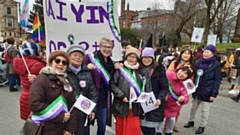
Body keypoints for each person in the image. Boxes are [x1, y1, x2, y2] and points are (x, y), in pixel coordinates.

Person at [29, 51, 77, 135]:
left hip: (63, 129)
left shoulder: (67, 82)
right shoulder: (41, 79)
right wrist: (60, 117)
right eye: (57, 61)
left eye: (64, 62)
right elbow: (35, 104)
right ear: (51, 62)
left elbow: (73, 106)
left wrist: (70, 130)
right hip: (46, 127)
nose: (61, 64)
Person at [84, 37, 120, 135]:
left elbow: (113, 79)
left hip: (103, 98)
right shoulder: (89, 58)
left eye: (110, 47)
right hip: (89, 96)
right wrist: (85, 67)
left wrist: (118, 68)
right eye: (105, 46)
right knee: (85, 124)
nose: (107, 49)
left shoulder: (111, 63)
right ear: (99, 47)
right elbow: (76, 68)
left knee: (102, 125)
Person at [184, 45, 221, 134]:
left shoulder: (216, 65)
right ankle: (191, 121)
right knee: (193, 108)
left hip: (208, 91)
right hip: (197, 90)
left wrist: (214, 94)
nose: (205, 53)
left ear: (213, 54)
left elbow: (217, 80)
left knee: (205, 111)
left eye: (208, 52)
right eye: (205, 51)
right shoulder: (198, 62)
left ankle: (202, 126)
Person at [66, 45, 97, 135]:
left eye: (80, 56)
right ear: (68, 56)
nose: (78, 58)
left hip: (81, 112)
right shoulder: (63, 71)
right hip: (66, 113)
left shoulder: (86, 72)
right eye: (75, 55)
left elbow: (92, 92)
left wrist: (93, 109)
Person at [110, 46, 142, 135]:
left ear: (137, 59)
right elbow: (112, 85)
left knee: (133, 129)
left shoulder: (139, 72)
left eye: (134, 57)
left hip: (134, 106)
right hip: (121, 104)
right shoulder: (120, 70)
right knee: (121, 129)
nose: (131, 59)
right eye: (129, 56)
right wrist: (121, 96)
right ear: (126, 57)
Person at [13, 42, 46, 120]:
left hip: (25, 93)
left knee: (30, 124)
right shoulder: (37, 64)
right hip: (36, 96)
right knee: (38, 123)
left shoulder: (20, 61)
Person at [139, 47, 168, 135]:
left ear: (153, 58)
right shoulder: (138, 69)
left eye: (149, 57)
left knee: (151, 129)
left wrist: (160, 98)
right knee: (143, 127)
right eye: (144, 57)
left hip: (154, 102)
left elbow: (164, 87)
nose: (146, 59)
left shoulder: (159, 70)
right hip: (141, 103)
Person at [158, 66, 193, 135]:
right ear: (178, 70)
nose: (182, 74)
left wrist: (183, 99)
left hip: (173, 105)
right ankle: (158, 131)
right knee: (160, 118)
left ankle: (169, 131)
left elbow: (186, 96)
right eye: (182, 71)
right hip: (162, 102)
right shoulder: (168, 74)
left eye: (185, 74)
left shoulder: (186, 84)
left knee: (172, 119)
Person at [166, 48, 195, 132]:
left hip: (182, 89)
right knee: (165, 108)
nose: (186, 55)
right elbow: (168, 73)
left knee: (176, 109)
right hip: (171, 87)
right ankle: (163, 126)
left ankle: (172, 124)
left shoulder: (192, 66)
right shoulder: (175, 63)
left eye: (188, 54)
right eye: (184, 53)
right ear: (181, 54)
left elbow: (191, 80)